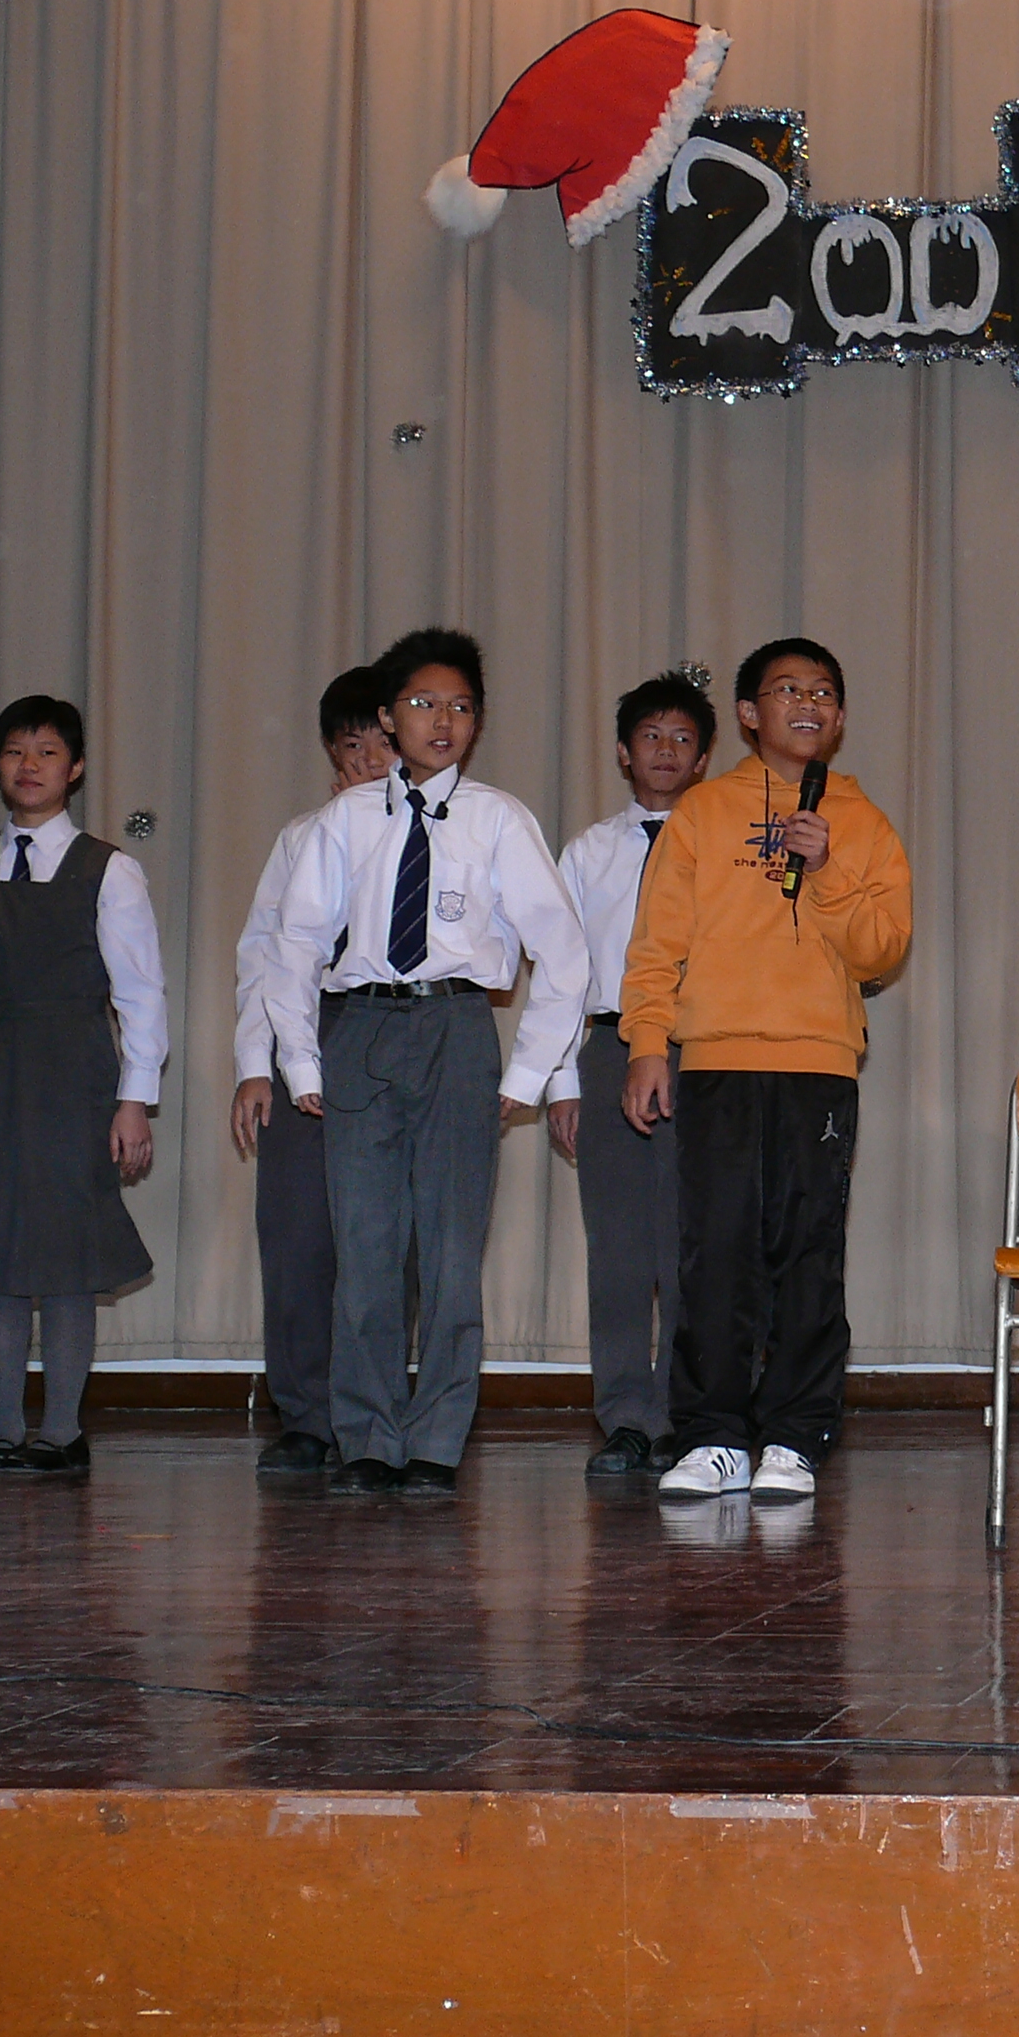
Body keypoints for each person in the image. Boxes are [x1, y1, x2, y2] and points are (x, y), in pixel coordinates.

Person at [271, 629, 590, 1498]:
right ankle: (368, 1436)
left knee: (451, 1252)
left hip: (456, 1029)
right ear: (386, 717)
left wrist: (525, 1077)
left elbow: (564, 954)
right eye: (421, 704)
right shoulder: (343, 821)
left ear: (477, 722)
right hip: (360, 1030)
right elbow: (295, 944)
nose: (441, 721)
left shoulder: (498, 818)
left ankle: (438, 1439)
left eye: (460, 707)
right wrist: (301, 1063)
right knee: (366, 1248)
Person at [625, 639, 911, 1503]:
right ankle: (713, 1436)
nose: (807, 704)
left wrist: (824, 870)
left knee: (808, 1255)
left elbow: (882, 950)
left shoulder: (864, 822)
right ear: (749, 714)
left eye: (823, 692)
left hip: (819, 1067)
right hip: (718, 1061)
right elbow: (657, 943)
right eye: (788, 690)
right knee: (715, 1255)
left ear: (841, 716)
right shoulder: (703, 813)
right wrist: (647, 1044)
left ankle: (794, 1435)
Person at [0, 695, 169, 1476]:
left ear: (75, 768)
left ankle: (61, 1433)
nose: (30, 766)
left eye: (48, 751)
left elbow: (141, 994)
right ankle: (2, 1429)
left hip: (74, 1073)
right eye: (15, 751)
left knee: (65, 1258)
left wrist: (134, 1100)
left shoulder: (110, 869)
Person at [549, 670, 715, 1480]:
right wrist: (561, 1081)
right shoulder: (588, 851)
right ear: (623, 752)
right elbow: (561, 972)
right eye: (651, 736)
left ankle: (683, 1413)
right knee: (617, 1248)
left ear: (705, 758)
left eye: (683, 738)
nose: (666, 751)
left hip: (701, 1050)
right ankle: (624, 1417)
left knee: (692, 1244)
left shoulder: (723, 846)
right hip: (611, 1045)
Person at [229, 667, 393, 1476]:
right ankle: (304, 1415)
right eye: (352, 747)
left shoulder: (444, 830)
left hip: (395, 1036)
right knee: (297, 1236)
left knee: (384, 1241)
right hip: (306, 1030)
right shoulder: (302, 836)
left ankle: (378, 1416)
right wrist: (252, 1064)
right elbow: (263, 953)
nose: (368, 762)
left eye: (381, 745)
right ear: (332, 754)